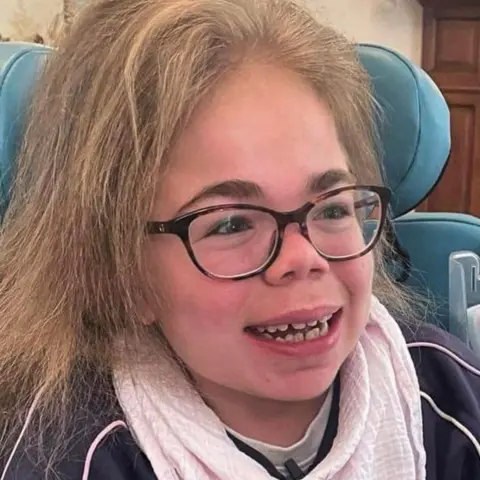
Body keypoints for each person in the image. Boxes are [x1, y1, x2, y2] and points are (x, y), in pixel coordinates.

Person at [0, 0, 479, 479]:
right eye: (231, 224)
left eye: (333, 208)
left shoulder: (446, 396)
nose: (303, 257)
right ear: (124, 274)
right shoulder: (70, 456)